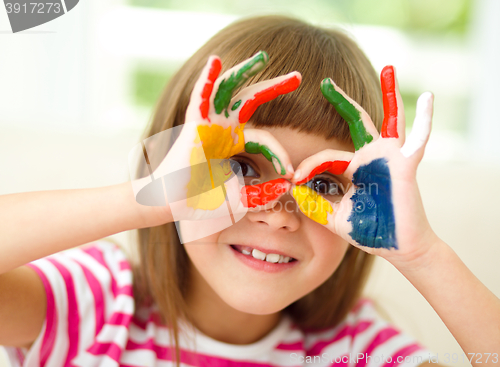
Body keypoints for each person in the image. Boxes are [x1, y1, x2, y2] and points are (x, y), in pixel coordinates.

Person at [0, 15, 498, 367]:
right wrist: (147, 196)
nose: (279, 216)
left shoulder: (355, 351)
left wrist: (424, 255)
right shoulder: (91, 305)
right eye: (241, 166)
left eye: (323, 184)